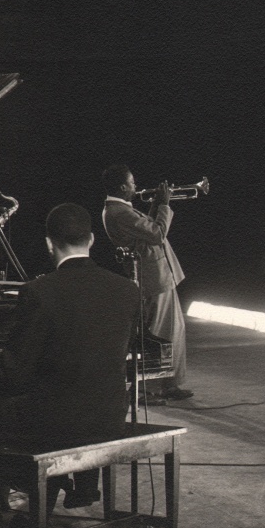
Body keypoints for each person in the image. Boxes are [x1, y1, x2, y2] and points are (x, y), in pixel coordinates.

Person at [0, 202, 140, 528]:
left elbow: (15, 373)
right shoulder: (126, 290)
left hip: (58, 422)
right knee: (46, 403)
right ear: (91, 240)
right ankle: (38, 509)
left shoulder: (39, 291)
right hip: (110, 415)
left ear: (49, 244)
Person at [101, 164, 193, 402]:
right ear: (122, 186)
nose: (136, 186)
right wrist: (164, 203)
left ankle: (168, 383)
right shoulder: (118, 212)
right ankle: (149, 389)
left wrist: (155, 206)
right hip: (152, 278)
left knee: (173, 330)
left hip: (157, 275)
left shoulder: (119, 209)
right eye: (132, 183)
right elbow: (157, 233)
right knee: (159, 334)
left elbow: (148, 230)